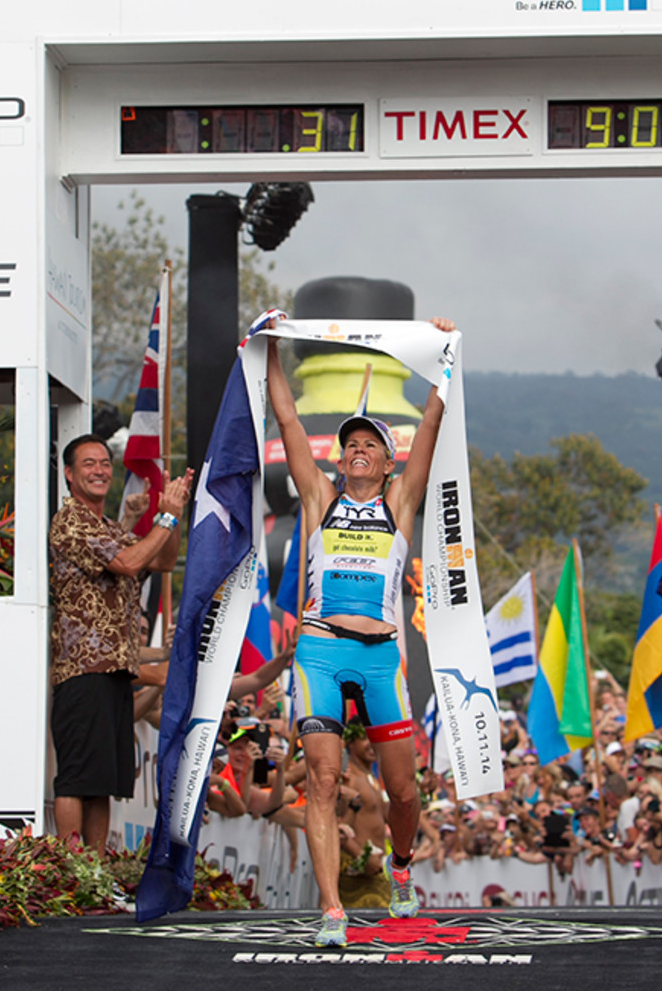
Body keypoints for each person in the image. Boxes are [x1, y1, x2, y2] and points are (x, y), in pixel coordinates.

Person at [265, 314, 455, 947]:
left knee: (403, 793)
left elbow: (430, 423)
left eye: (368, 443)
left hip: (380, 661)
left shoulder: (399, 504)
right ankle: (330, 911)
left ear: (386, 458)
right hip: (319, 651)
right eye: (349, 443)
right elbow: (289, 421)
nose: (356, 449)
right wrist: (270, 351)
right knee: (320, 780)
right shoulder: (320, 498)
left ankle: (400, 868)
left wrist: (443, 355)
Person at [48, 433, 193, 854]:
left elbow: (162, 560)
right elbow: (130, 564)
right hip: (82, 668)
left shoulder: (108, 527)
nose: (99, 470)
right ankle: (68, 870)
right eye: (89, 464)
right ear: (70, 474)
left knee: (102, 784)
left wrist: (175, 513)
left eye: (104, 463)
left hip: (116, 671)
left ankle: (93, 875)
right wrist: (161, 521)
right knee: (76, 778)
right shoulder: (70, 520)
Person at [336, 717, 392, 909]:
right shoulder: (348, 777)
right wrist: (362, 856)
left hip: (375, 869)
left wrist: (422, 794)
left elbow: (387, 816)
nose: (372, 744)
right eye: (366, 738)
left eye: (375, 738)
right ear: (351, 742)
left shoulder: (370, 775)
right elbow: (337, 826)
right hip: (357, 870)